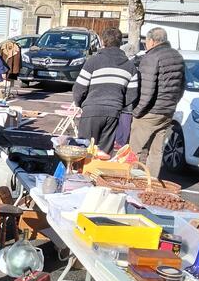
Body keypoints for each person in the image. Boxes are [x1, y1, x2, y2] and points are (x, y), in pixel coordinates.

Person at [72, 27, 139, 154]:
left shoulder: (93, 61)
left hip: (91, 110)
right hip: (113, 112)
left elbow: (79, 89)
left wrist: (81, 104)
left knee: (84, 150)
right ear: (120, 43)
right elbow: (132, 95)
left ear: (103, 41)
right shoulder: (130, 67)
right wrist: (119, 104)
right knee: (104, 153)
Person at [130, 27, 186, 177]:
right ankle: (151, 182)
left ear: (152, 41)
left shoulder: (151, 57)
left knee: (135, 150)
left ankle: (132, 182)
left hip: (149, 112)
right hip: (167, 112)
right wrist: (172, 104)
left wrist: (137, 111)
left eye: (146, 42)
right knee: (156, 151)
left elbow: (146, 90)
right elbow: (182, 86)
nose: (145, 45)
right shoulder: (178, 56)